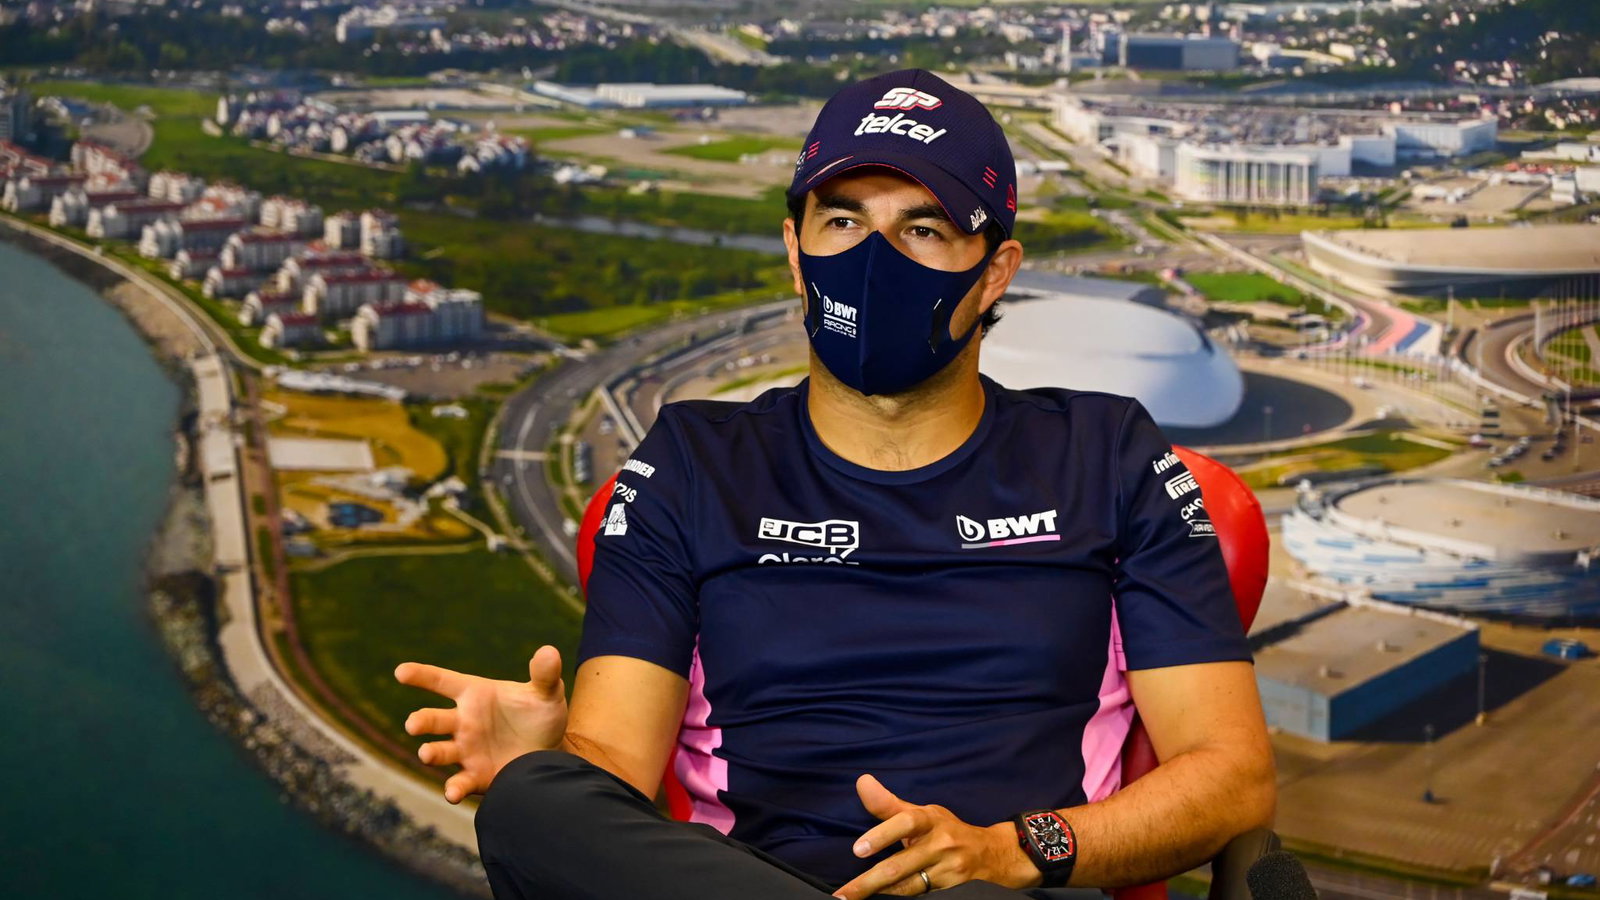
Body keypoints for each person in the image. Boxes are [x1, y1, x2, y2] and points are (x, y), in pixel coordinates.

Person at [395, 69, 1275, 900]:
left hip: (995, 887)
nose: (874, 260)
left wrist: (1009, 850)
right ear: (796, 249)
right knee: (532, 801)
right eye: (844, 222)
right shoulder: (690, 462)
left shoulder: (1107, 454)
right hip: (746, 881)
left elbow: (1230, 777)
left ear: (995, 273)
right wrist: (559, 756)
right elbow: (614, 765)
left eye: (922, 230)